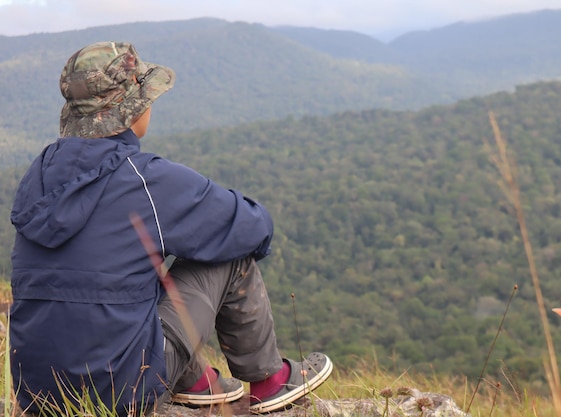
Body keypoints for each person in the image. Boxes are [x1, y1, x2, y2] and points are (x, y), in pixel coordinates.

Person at [9, 41, 332, 416]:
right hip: (123, 390)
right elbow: (250, 226)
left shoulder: (37, 177)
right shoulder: (146, 180)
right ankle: (270, 381)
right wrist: (189, 236)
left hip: (36, 391)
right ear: (130, 111)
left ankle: (196, 383)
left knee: (125, 273)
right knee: (229, 252)